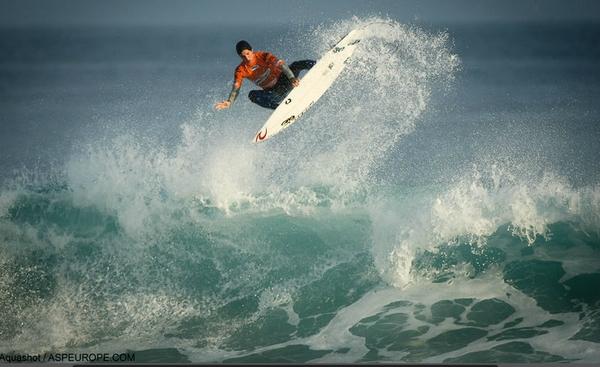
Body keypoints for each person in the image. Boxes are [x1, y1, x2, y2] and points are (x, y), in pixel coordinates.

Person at [215, 40, 315, 110]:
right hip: (274, 93)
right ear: (239, 56)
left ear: (252, 50)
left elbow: (281, 64)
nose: (247, 58)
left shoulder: (263, 56)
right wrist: (230, 101)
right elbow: (236, 88)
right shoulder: (240, 70)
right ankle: (278, 108)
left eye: (248, 53)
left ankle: (321, 63)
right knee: (252, 95)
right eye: (243, 56)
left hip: (286, 81)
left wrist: (292, 78)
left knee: (296, 65)